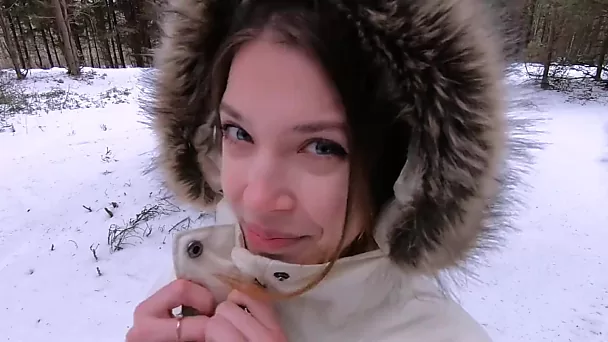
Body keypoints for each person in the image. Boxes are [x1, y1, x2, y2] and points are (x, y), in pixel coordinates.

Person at [128, 0, 529, 341]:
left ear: (405, 164)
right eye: (239, 132)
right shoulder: (190, 284)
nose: (257, 198)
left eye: (322, 147)